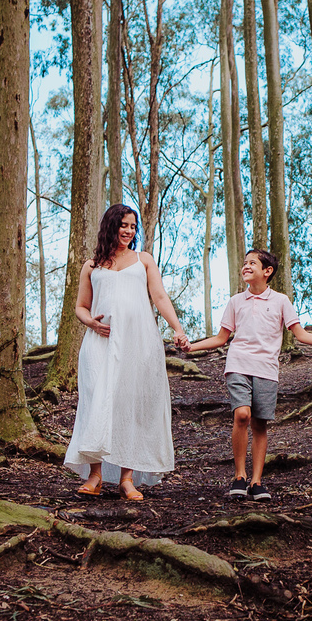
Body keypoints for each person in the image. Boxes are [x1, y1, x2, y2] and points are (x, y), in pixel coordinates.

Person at [184, 249, 312, 501]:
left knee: (259, 424)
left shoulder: (281, 301)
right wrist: (191, 347)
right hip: (238, 364)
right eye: (244, 263)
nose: (246, 266)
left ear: (267, 271)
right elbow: (221, 338)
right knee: (242, 415)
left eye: (252, 263)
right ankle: (239, 475)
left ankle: (256, 481)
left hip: (267, 369)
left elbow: (300, 334)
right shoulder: (235, 302)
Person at [66, 204, 190, 501]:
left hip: (138, 342)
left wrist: (177, 329)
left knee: (131, 406)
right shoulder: (92, 265)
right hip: (100, 343)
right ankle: (95, 476)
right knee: (97, 402)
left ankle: (127, 479)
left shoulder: (143, 260)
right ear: (111, 225)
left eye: (133, 226)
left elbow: (159, 296)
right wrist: (91, 323)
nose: (129, 231)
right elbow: (81, 307)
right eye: (124, 224)